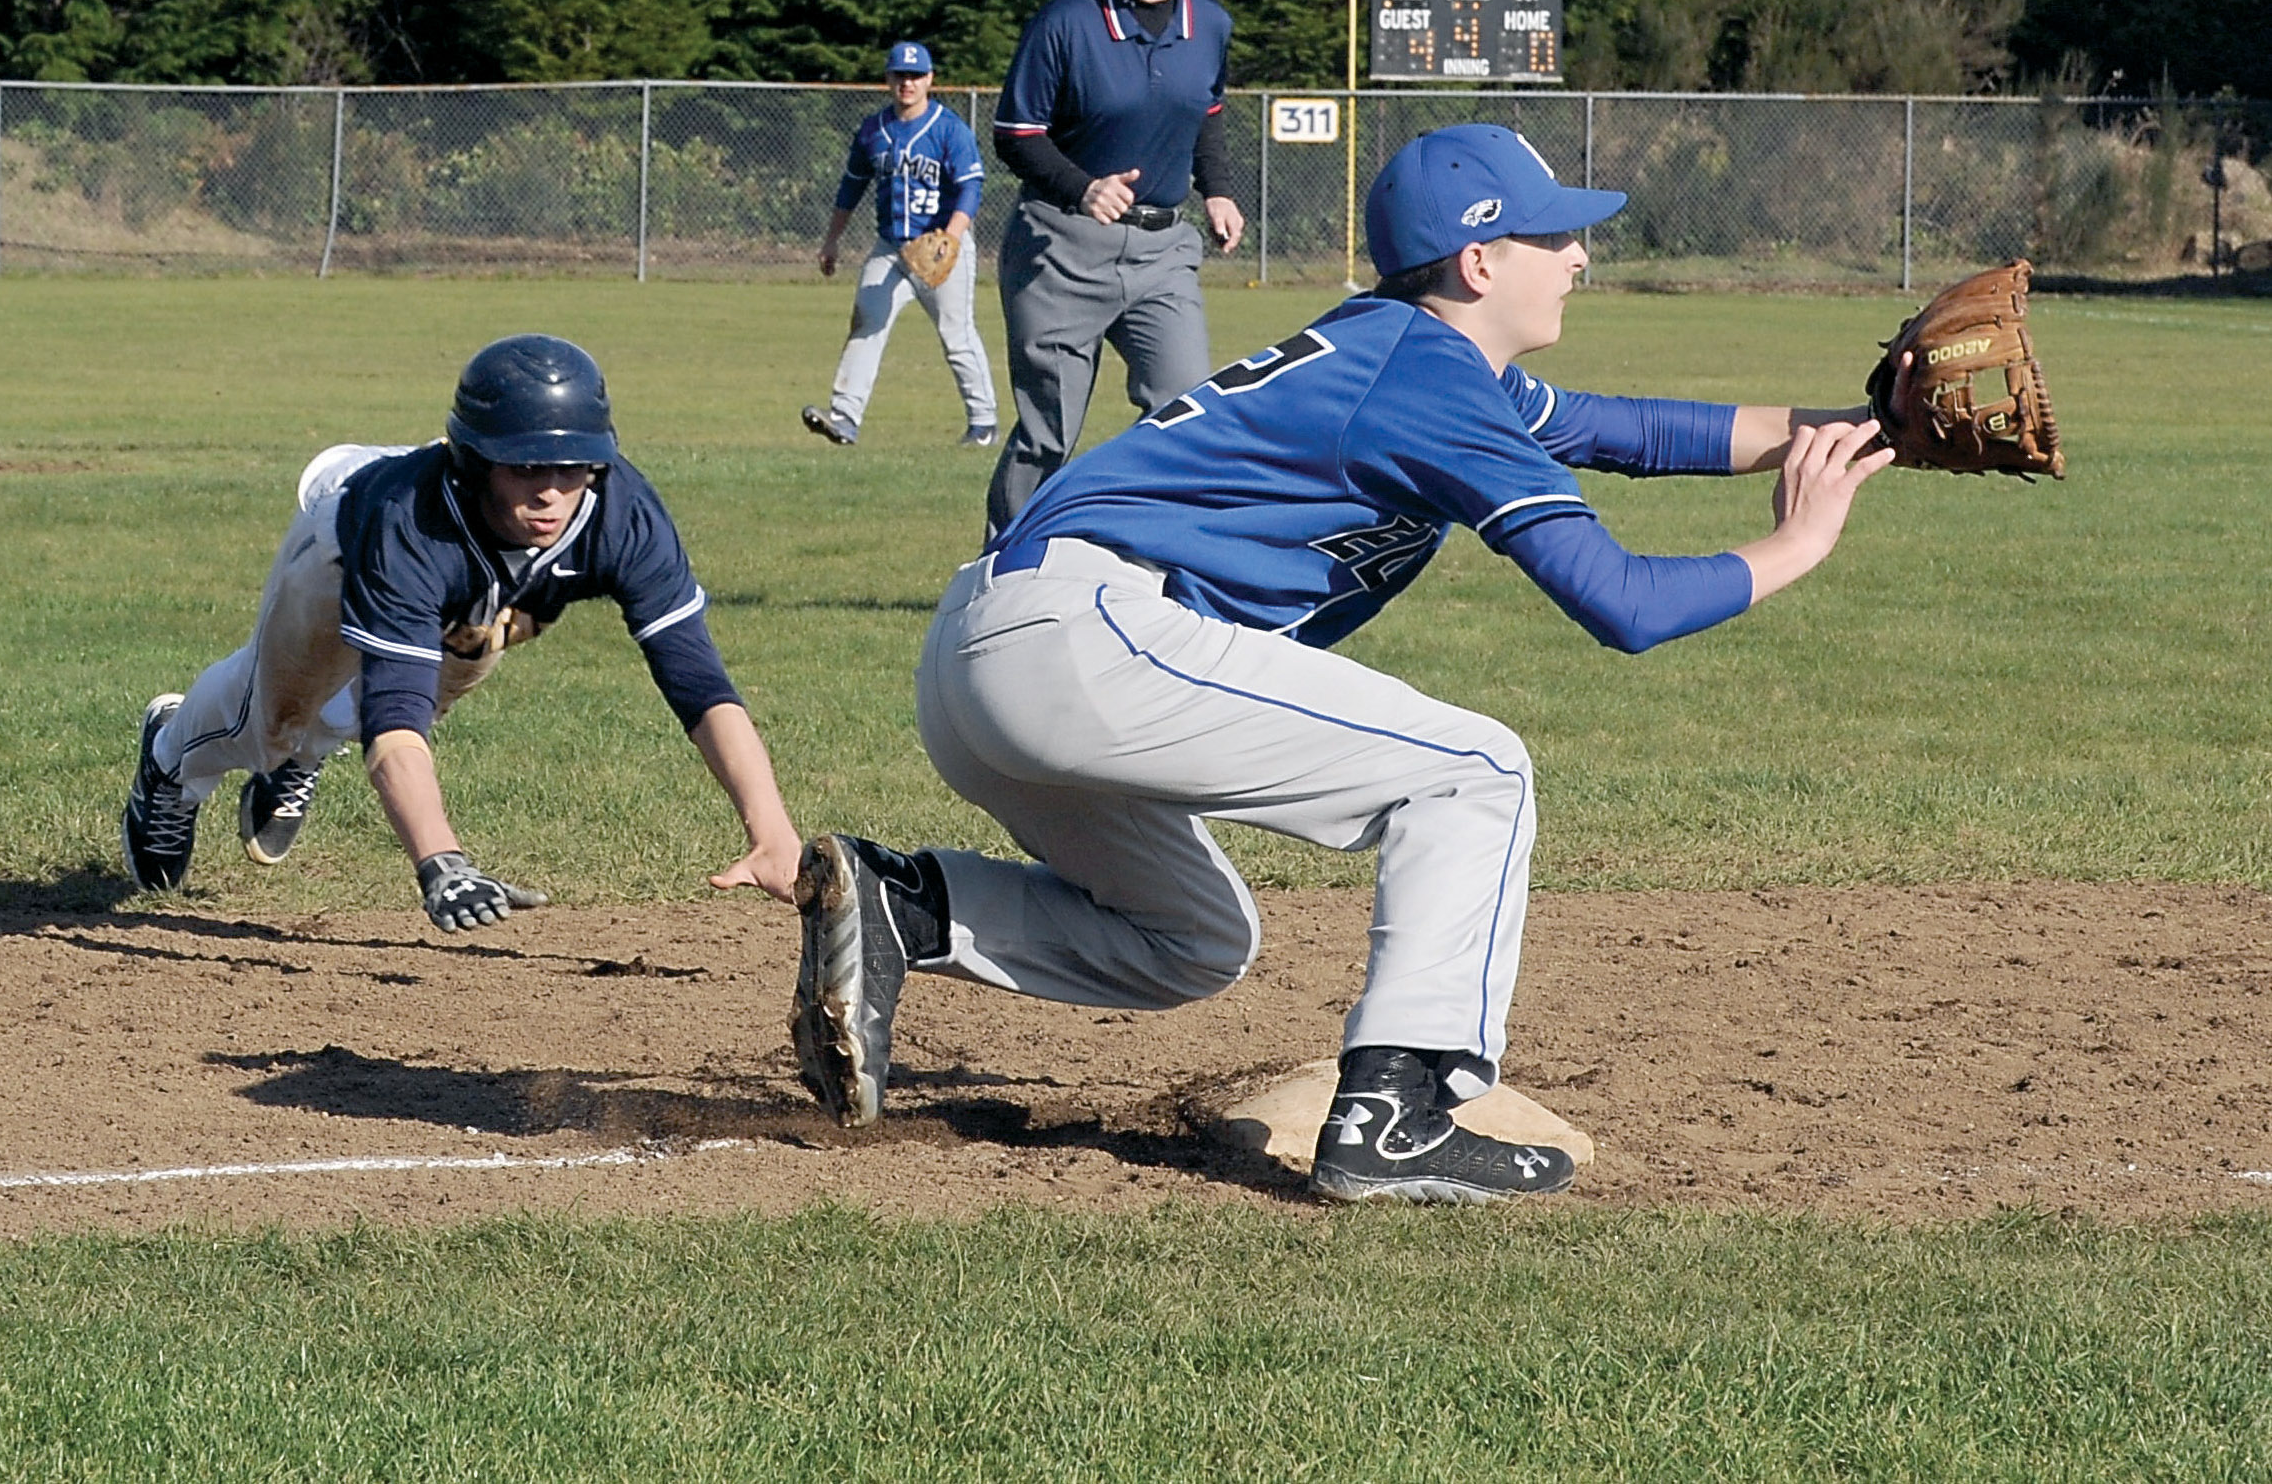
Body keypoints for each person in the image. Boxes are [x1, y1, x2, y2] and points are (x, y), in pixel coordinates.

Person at [787, 123, 1894, 1204]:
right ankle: (1395, 1113)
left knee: (1194, 940)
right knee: (1474, 771)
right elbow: (1621, 603)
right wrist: (1794, 544)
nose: (1578, 256)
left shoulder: (1407, 350)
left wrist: (1872, 425)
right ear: (1476, 260)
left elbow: (1625, 431)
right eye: (1553, 236)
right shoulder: (1428, 377)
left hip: (995, 645)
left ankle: (908, 904)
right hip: (1086, 635)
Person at [119, 334, 802, 925]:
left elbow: (699, 684)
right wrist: (440, 861)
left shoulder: (623, 517)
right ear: (476, 462)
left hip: (474, 587)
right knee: (269, 721)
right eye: (526, 466)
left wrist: (771, 831)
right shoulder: (410, 529)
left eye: (571, 466)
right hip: (345, 541)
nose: (551, 491)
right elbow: (393, 723)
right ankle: (171, 758)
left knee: (450, 667)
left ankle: (308, 752)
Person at [984, 0, 1246, 536]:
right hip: (1062, 246)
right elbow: (1014, 132)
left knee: (1185, 412)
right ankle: (1000, 569)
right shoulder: (1066, 22)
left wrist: (1216, 190)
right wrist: (1081, 186)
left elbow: (1206, 111)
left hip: (1162, 250)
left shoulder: (1208, 25)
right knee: (1050, 431)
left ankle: (1144, 553)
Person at [802, 41, 1000, 450]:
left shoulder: (949, 129)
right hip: (890, 248)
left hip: (939, 246)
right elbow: (851, 186)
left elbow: (970, 187)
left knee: (956, 334)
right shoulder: (873, 130)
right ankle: (844, 417)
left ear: (930, 79)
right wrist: (832, 240)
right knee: (867, 322)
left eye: (915, 76)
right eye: (899, 75)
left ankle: (984, 423)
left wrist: (952, 237)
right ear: (888, 80)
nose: (907, 83)